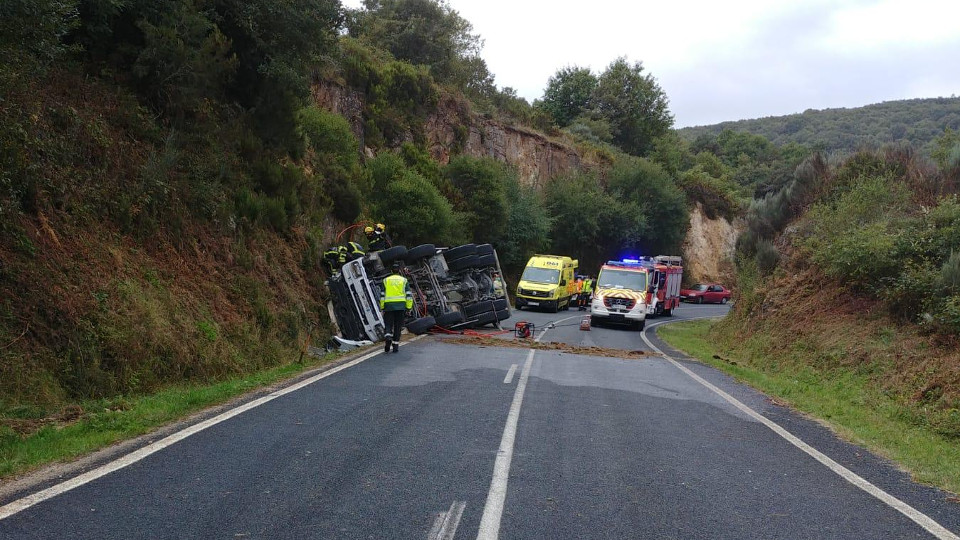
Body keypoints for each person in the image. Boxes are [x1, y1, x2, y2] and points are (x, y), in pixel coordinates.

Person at [379, 261, 413, 354]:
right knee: (398, 326)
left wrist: (382, 307)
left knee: (388, 325)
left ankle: (388, 338)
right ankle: (395, 346)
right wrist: (409, 307)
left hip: (389, 306)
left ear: (391, 270)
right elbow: (409, 295)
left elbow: (382, 295)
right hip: (401, 306)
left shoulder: (386, 280)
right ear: (399, 271)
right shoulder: (404, 280)